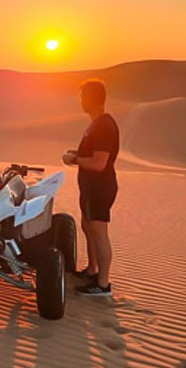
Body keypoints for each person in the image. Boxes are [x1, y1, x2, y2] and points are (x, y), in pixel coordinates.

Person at [62, 79, 119, 297]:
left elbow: (99, 163)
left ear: (93, 98)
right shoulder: (96, 123)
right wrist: (77, 155)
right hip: (91, 187)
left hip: (100, 187)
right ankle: (93, 270)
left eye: (83, 96)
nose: (81, 101)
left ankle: (103, 284)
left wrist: (74, 159)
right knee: (88, 227)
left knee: (98, 231)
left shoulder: (105, 125)